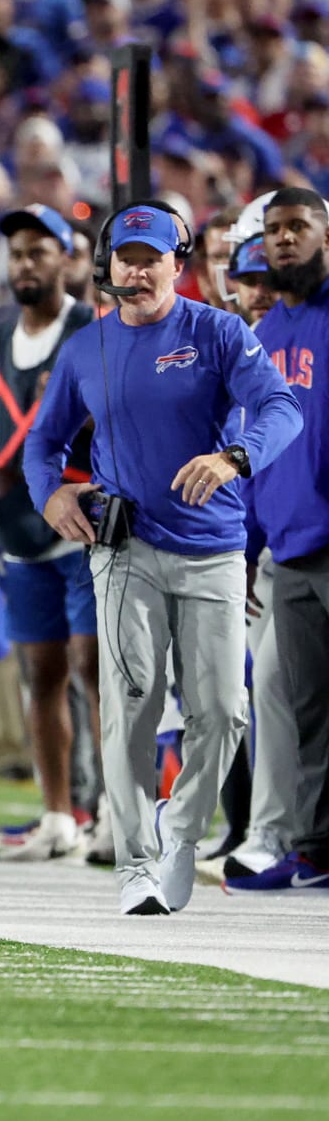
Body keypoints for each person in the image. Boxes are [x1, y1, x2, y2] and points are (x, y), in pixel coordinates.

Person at [25, 202, 302, 915]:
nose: (139, 270)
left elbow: (281, 408)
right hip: (124, 550)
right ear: (108, 266)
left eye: (153, 258)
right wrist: (50, 495)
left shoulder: (218, 331)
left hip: (213, 547)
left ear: (179, 265)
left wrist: (235, 456)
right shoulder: (86, 348)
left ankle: (180, 832)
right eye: (127, 257)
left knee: (223, 711)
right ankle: (135, 863)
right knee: (132, 703)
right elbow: (42, 442)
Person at [0, 205, 102, 862]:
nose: (26, 265)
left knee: (96, 670)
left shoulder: (92, 332)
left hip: (84, 527)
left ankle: (115, 812)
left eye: (39, 252)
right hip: (18, 533)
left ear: (67, 258)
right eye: (17, 253)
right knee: (39, 673)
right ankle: (58, 816)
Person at [227, 188, 329, 893]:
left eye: (298, 226)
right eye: (273, 231)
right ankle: (316, 849)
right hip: (288, 549)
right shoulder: (262, 342)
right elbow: (256, 451)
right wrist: (248, 547)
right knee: (307, 708)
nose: (283, 240)